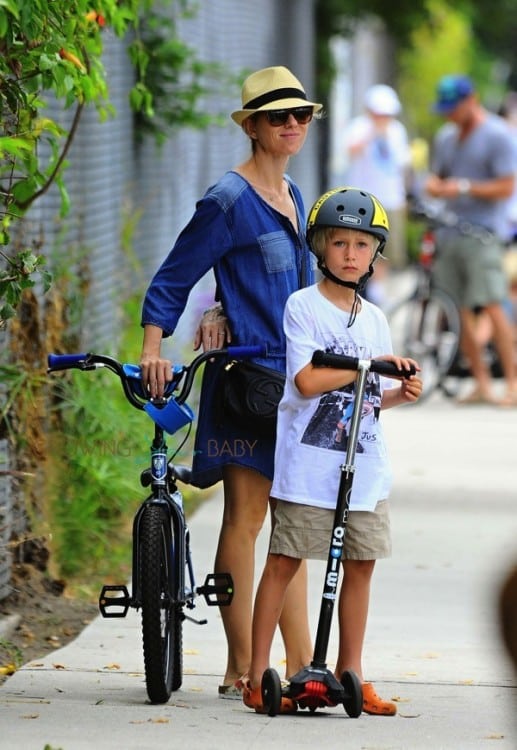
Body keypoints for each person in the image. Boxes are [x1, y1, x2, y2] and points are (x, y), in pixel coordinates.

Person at [139, 66, 323, 698]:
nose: (292, 125)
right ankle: (243, 664)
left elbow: (289, 290)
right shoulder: (227, 199)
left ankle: (302, 668)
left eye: (301, 115)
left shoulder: (297, 197)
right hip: (248, 379)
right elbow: (174, 274)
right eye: (278, 117)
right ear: (251, 126)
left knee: (292, 522)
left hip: (297, 384)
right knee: (246, 518)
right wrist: (153, 349)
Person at [241, 187, 423, 715]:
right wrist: (367, 365)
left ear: (374, 254)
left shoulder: (375, 319)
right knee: (283, 560)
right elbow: (304, 381)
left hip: (363, 469)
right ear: (320, 248)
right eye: (339, 242)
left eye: (362, 245)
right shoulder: (303, 306)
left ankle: (353, 673)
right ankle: (256, 675)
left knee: (361, 564)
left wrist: (395, 394)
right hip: (308, 466)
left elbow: (362, 403)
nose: (350, 253)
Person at [425, 74, 517, 405]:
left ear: (471, 100)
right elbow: (439, 175)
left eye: (453, 107)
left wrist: (464, 187)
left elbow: (507, 187)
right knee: (458, 310)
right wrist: (434, 185)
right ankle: (480, 382)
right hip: (449, 232)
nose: (449, 114)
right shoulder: (447, 136)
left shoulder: (497, 135)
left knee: (492, 304)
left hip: (483, 234)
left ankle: (511, 383)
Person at [341, 84, 411, 305]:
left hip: (391, 199)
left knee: (385, 249)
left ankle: (378, 292)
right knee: (360, 245)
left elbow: (402, 163)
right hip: (363, 200)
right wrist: (371, 135)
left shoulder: (397, 131)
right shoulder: (359, 128)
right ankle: (358, 289)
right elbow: (349, 151)